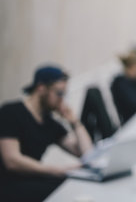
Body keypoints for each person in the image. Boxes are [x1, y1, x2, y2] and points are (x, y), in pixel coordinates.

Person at [0, 65, 93, 202]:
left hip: (33, 182)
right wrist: (57, 170)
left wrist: (75, 122)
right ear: (41, 88)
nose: (62, 100)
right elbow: (12, 161)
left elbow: (86, 154)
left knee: (75, 186)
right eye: (59, 93)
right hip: (9, 186)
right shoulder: (11, 112)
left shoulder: (48, 122)